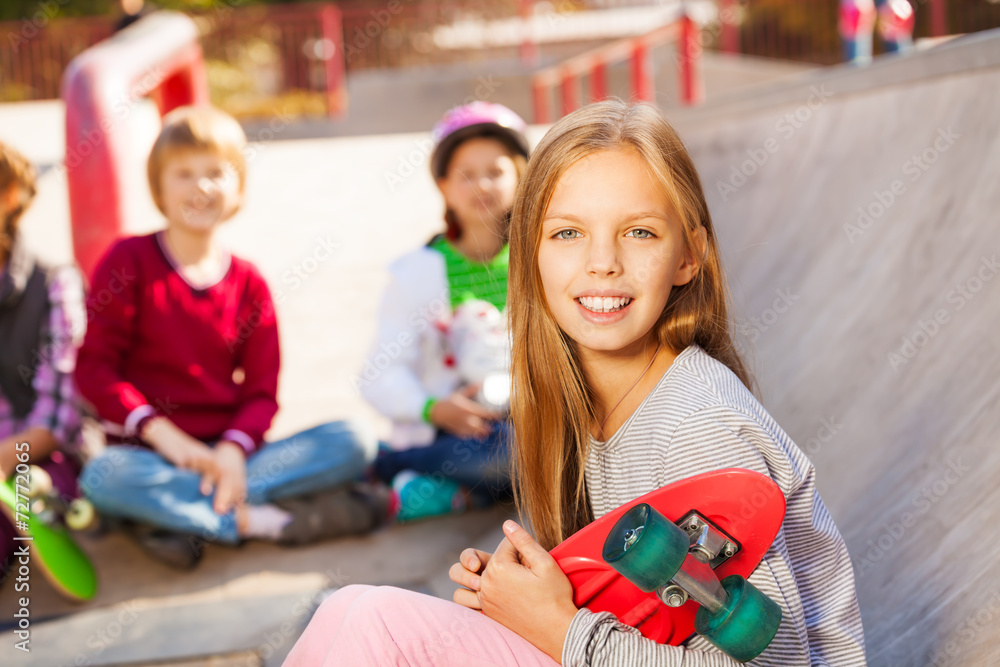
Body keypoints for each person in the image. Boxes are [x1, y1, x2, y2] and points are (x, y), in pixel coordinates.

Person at [284, 100, 866, 665]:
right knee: (346, 615)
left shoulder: (698, 427)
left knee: (369, 622)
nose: (603, 262)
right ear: (529, 254)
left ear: (689, 257)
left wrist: (560, 627)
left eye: (639, 232)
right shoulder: (583, 403)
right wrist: (533, 593)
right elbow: (656, 605)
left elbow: (783, 661)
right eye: (568, 234)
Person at [75, 106, 383, 569]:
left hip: (233, 458)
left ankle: (179, 520)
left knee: (354, 439)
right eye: (183, 173)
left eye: (216, 172)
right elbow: (94, 369)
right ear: (159, 186)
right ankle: (259, 521)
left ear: (238, 186)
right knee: (102, 477)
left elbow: (262, 390)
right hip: (153, 455)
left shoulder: (248, 282)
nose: (201, 187)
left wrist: (233, 452)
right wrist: (165, 436)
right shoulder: (128, 261)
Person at [359, 101, 529, 521]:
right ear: (443, 185)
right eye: (465, 175)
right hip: (457, 428)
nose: (482, 185)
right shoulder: (417, 272)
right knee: (511, 456)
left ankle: (461, 491)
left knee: (553, 449)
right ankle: (396, 465)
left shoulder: (541, 259)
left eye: (496, 171)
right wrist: (435, 407)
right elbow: (378, 374)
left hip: (530, 417)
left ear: (522, 175)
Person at [0, 142, 87, 572]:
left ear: (10, 196)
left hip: (36, 455)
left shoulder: (55, 284)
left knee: (31, 488)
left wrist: (5, 458)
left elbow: (58, 418)